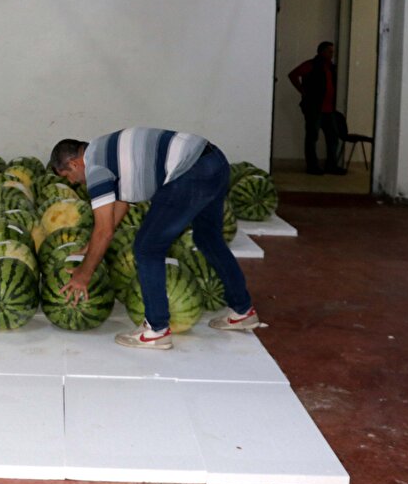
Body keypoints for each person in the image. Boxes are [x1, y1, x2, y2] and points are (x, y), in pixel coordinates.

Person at [48, 129, 260, 350]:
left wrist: (83, 274)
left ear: (73, 164)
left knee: (147, 248)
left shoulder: (95, 167)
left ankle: (156, 330)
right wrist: (92, 246)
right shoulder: (104, 149)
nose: (72, 182)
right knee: (208, 238)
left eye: (67, 176)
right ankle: (242, 311)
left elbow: (104, 231)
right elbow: (119, 205)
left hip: (189, 173)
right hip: (214, 161)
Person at [288, 42, 346, 175]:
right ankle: (312, 166)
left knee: (333, 137)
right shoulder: (311, 65)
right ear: (322, 52)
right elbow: (293, 75)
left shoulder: (331, 67)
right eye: (329, 51)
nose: (332, 54)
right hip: (314, 108)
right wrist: (302, 91)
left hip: (329, 109)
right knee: (312, 137)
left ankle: (331, 165)